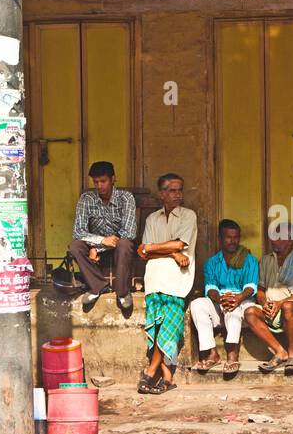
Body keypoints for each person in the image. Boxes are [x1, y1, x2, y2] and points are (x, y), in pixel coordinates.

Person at [137, 173, 197, 394]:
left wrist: (152, 247)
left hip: (176, 281)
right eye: (172, 190)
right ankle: (168, 377)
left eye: (180, 190)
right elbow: (144, 254)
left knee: (169, 325)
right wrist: (172, 253)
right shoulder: (153, 219)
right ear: (162, 194)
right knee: (158, 326)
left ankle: (151, 370)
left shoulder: (188, 216)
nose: (178, 195)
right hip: (154, 279)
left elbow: (180, 243)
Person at [190, 219, 259, 377]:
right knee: (197, 304)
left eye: (236, 237)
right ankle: (211, 353)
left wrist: (237, 298)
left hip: (242, 303)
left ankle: (232, 355)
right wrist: (222, 299)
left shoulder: (248, 259)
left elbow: (251, 286)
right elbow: (210, 288)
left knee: (233, 311)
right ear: (220, 239)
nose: (233, 241)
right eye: (228, 237)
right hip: (219, 302)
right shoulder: (212, 263)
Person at [68, 160, 138, 314]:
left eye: (103, 181)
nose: (99, 186)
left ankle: (122, 292)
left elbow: (129, 231)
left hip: (119, 248)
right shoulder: (87, 199)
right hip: (96, 245)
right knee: (75, 246)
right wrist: (98, 244)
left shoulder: (126, 198)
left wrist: (97, 248)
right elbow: (78, 231)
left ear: (113, 179)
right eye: (96, 182)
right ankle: (98, 286)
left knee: (125, 244)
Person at [244, 221, 293, 375]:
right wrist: (265, 303)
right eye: (273, 237)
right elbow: (260, 289)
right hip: (271, 308)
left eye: (280, 237)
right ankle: (280, 352)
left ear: (292, 240)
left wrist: (280, 303)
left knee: (288, 307)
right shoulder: (266, 260)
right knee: (249, 312)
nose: (274, 240)